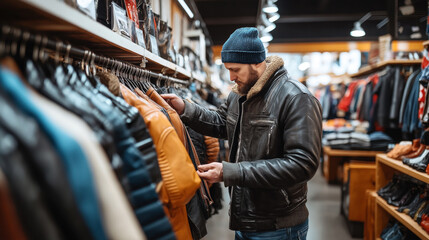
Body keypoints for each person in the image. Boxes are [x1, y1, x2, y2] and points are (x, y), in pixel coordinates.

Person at [162, 27, 322, 240]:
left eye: (235, 69)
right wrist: (185, 109)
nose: (230, 77)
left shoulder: (296, 98)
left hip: (278, 224)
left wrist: (231, 172)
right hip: (244, 217)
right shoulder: (239, 95)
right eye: (228, 69)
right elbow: (222, 123)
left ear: (257, 62)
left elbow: (302, 164)